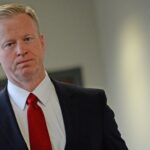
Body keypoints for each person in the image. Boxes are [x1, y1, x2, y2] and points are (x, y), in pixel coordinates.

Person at [0, 3, 128, 150]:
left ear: (42, 43)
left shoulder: (92, 104)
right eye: (9, 44)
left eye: (28, 39)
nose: (21, 50)